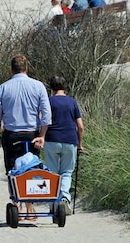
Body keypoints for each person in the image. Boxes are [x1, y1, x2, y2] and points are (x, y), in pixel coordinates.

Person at [0, 54, 51, 175]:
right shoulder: (38, 86)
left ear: (12, 70)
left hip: (12, 136)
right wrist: (42, 135)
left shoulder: (3, 88)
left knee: (13, 173)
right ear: (26, 69)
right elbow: (47, 114)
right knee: (32, 172)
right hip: (32, 135)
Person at [44, 75, 84, 215]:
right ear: (65, 87)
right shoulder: (72, 102)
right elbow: (80, 126)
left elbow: (42, 120)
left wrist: (41, 136)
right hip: (70, 140)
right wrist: (80, 144)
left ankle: (53, 203)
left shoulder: (49, 101)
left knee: (53, 173)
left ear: (51, 87)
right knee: (67, 172)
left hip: (52, 139)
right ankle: (65, 198)